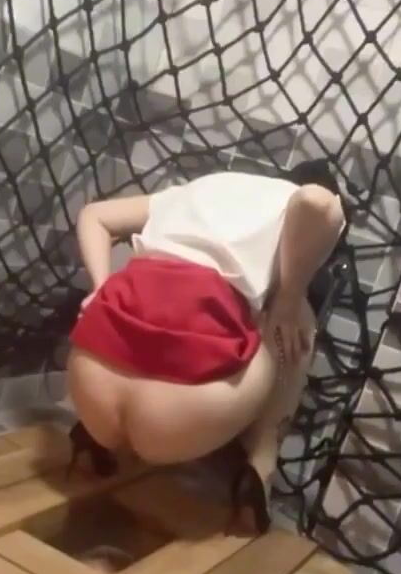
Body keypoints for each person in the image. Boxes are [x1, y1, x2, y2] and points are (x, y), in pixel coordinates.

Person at [65, 160, 347, 533]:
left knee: (142, 282)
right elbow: (315, 202)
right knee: (299, 322)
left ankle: (95, 437)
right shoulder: (293, 202)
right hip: (179, 422)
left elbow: (94, 215)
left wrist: (101, 289)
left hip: (90, 385)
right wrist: (290, 297)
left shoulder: (199, 189)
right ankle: (260, 467)